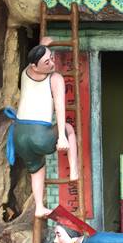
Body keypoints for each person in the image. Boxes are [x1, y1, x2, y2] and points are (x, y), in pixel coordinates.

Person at [6, 43, 78, 218]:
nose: (52, 64)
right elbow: (61, 109)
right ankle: (74, 170)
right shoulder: (55, 79)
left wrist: (44, 45)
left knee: (36, 168)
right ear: (35, 65)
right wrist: (61, 137)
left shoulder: (25, 72)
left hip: (19, 135)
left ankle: (39, 206)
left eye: (51, 58)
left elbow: (39, 55)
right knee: (69, 128)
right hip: (39, 134)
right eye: (47, 62)